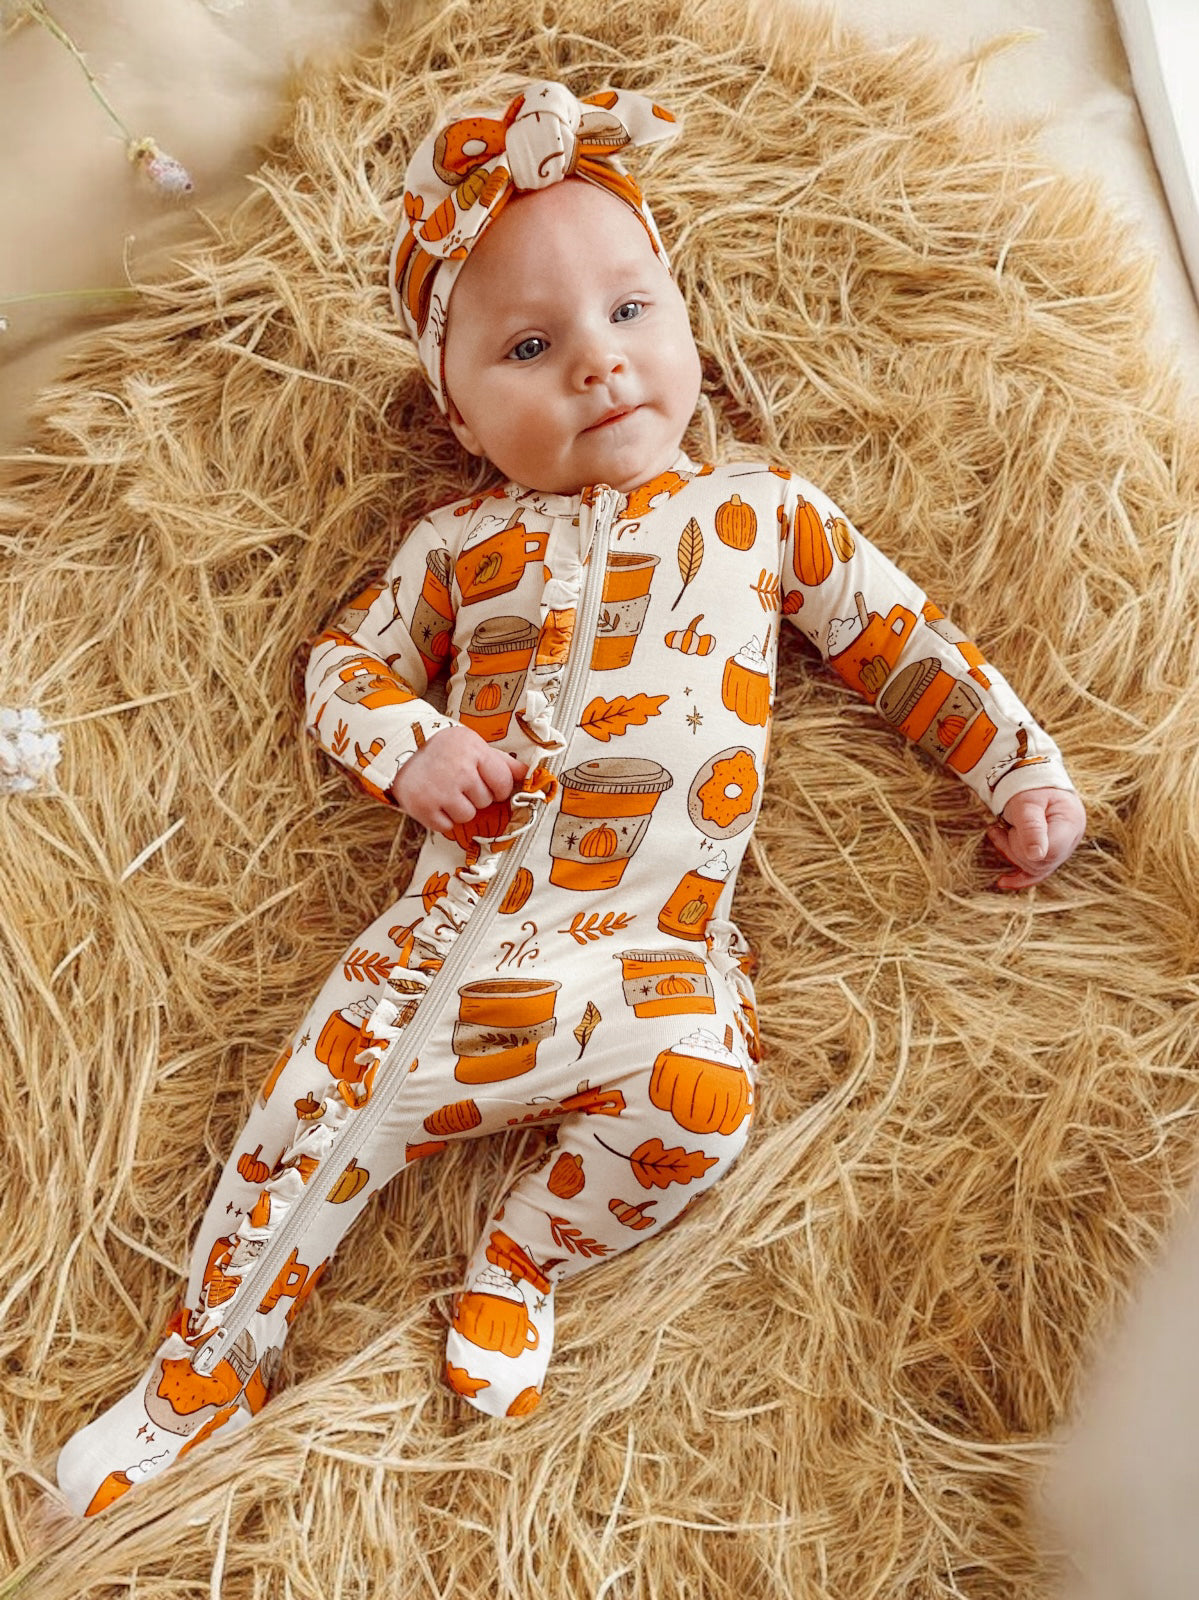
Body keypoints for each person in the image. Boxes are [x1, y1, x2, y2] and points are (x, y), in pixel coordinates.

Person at [55, 79, 1086, 1517]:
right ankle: (202, 1372)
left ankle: (522, 1261)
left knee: (704, 1106)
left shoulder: (760, 513)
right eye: (531, 348)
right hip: (457, 954)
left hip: (648, 960)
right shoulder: (459, 542)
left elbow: (904, 638)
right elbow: (337, 663)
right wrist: (408, 743)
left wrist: (1016, 765)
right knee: (304, 1130)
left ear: (683, 321)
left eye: (630, 312)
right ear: (462, 413)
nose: (599, 367)